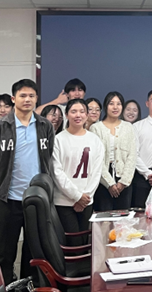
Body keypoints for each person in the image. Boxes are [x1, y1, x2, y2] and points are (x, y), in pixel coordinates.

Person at [0, 79, 55, 281]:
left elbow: (48, 156)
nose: (27, 99)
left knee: (34, 250)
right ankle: (5, 285)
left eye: (31, 95)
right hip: (9, 198)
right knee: (5, 251)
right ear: (13, 99)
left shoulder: (45, 125)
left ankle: (28, 285)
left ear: (37, 98)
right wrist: (0, 185)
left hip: (36, 199)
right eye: (22, 95)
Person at [51, 99, 104, 246]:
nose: (78, 115)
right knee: (71, 242)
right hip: (64, 201)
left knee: (86, 241)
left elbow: (96, 172)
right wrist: (77, 196)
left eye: (82, 112)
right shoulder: (58, 140)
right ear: (67, 115)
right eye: (73, 111)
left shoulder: (95, 140)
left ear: (87, 115)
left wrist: (85, 197)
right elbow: (57, 172)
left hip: (87, 200)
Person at [90, 91, 137, 211]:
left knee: (123, 217)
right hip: (103, 180)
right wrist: (109, 183)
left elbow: (132, 156)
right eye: (111, 103)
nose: (115, 107)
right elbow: (96, 159)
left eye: (118, 104)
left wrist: (123, 182)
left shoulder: (128, 127)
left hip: (124, 179)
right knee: (104, 217)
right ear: (106, 106)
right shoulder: (96, 128)